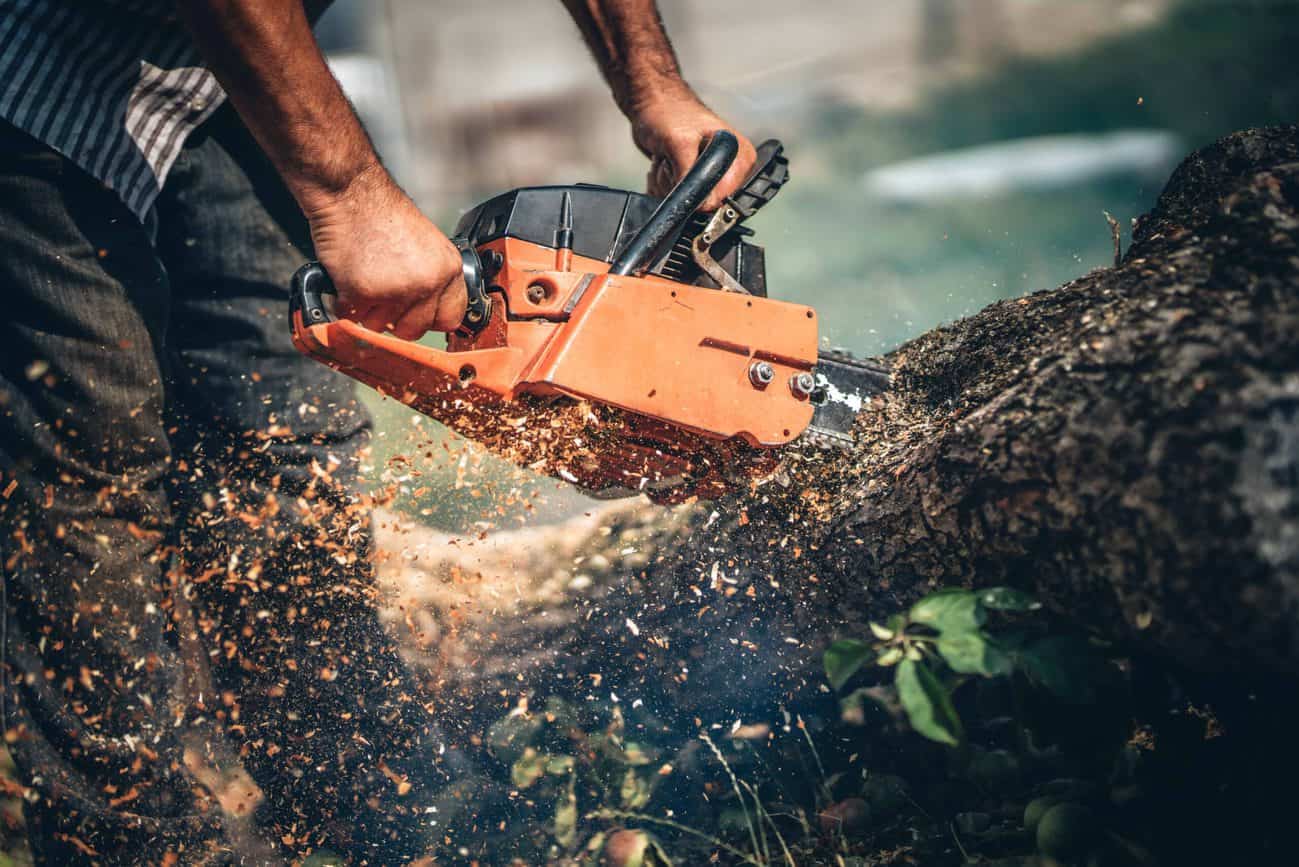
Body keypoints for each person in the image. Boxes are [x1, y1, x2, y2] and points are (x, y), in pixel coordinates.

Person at [0, 0, 757, 863]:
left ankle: (371, 807)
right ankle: (133, 843)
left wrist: (651, 83)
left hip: (215, 81)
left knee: (285, 437)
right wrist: (349, 192)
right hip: (38, 71)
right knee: (93, 474)